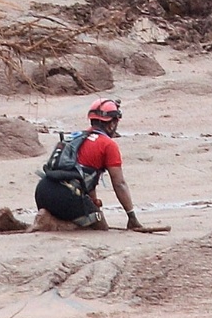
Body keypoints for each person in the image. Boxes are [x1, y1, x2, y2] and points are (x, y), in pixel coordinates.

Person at [32, 98, 152, 231]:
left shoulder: (76, 137)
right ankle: (54, 224)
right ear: (111, 124)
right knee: (99, 226)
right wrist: (132, 217)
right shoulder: (108, 145)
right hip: (66, 196)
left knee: (90, 215)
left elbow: (85, 177)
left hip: (42, 190)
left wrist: (93, 205)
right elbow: (119, 184)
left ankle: (48, 217)